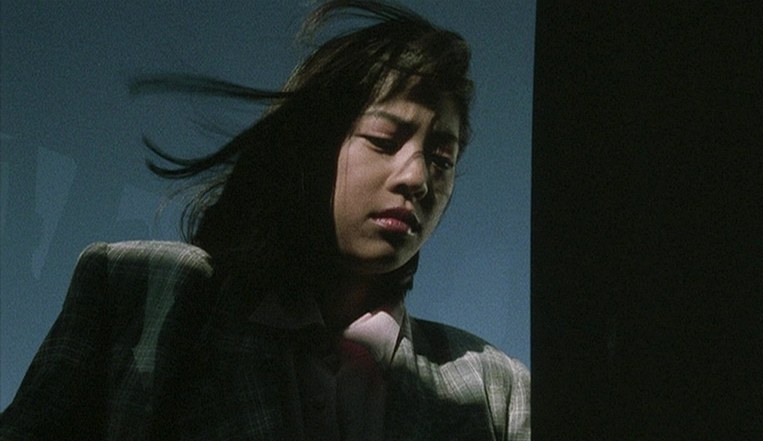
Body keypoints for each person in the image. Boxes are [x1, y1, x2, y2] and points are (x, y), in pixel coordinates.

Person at [0, 1, 530, 439]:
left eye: (442, 159)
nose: (417, 178)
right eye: (384, 140)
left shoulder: (495, 388)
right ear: (313, 146)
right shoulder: (139, 297)